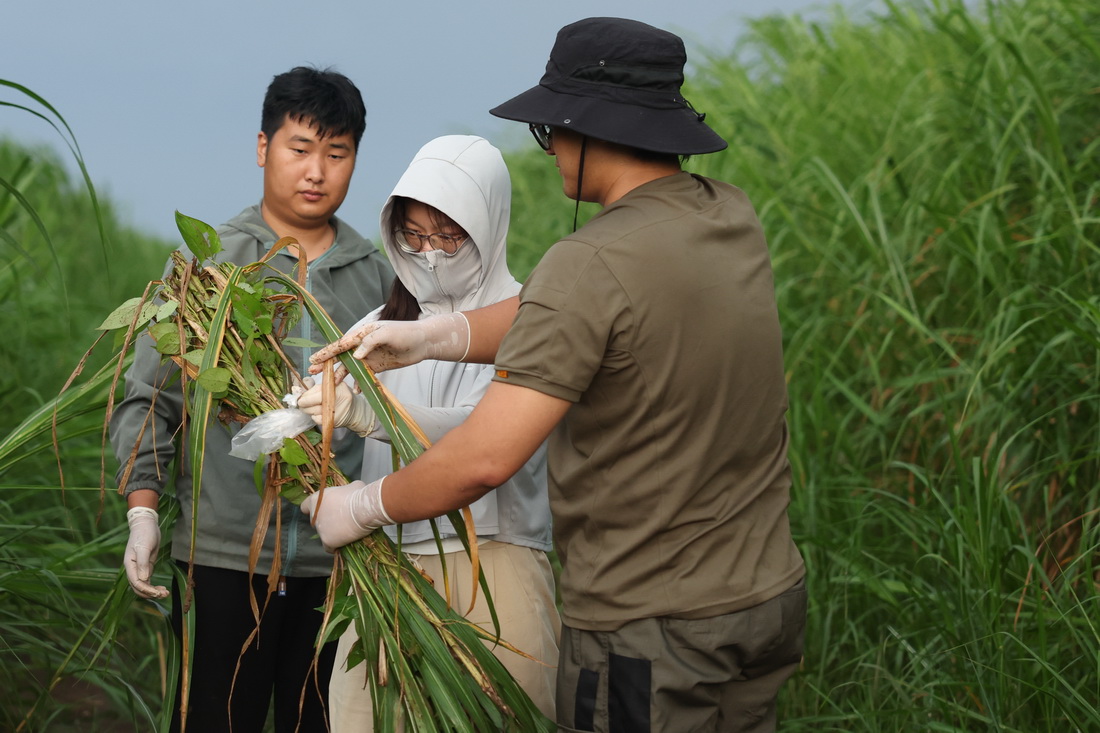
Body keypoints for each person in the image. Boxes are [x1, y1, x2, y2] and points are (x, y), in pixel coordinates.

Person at [304, 17, 806, 733]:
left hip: (652, 626)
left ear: (589, 128)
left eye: (551, 131)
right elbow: (583, 316)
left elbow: (484, 459)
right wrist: (437, 337)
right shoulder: (728, 216)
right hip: (763, 599)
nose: (552, 150)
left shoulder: (589, 262)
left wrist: (361, 505)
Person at [111, 66, 394, 733]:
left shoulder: (378, 277)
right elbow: (150, 397)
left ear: (355, 156)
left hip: (341, 563)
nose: (316, 171)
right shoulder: (210, 267)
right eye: (300, 148)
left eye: (337, 152)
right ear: (263, 147)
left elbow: (397, 416)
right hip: (222, 556)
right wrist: (143, 510)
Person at [296, 135, 559, 728]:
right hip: (389, 562)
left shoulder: (528, 316)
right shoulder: (382, 322)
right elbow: (325, 387)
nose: (431, 254)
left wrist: (374, 415)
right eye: (414, 237)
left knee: (499, 715)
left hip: (491, 563)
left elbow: (482, 433)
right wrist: (299, 408)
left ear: (488, 226)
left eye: (448, 237)